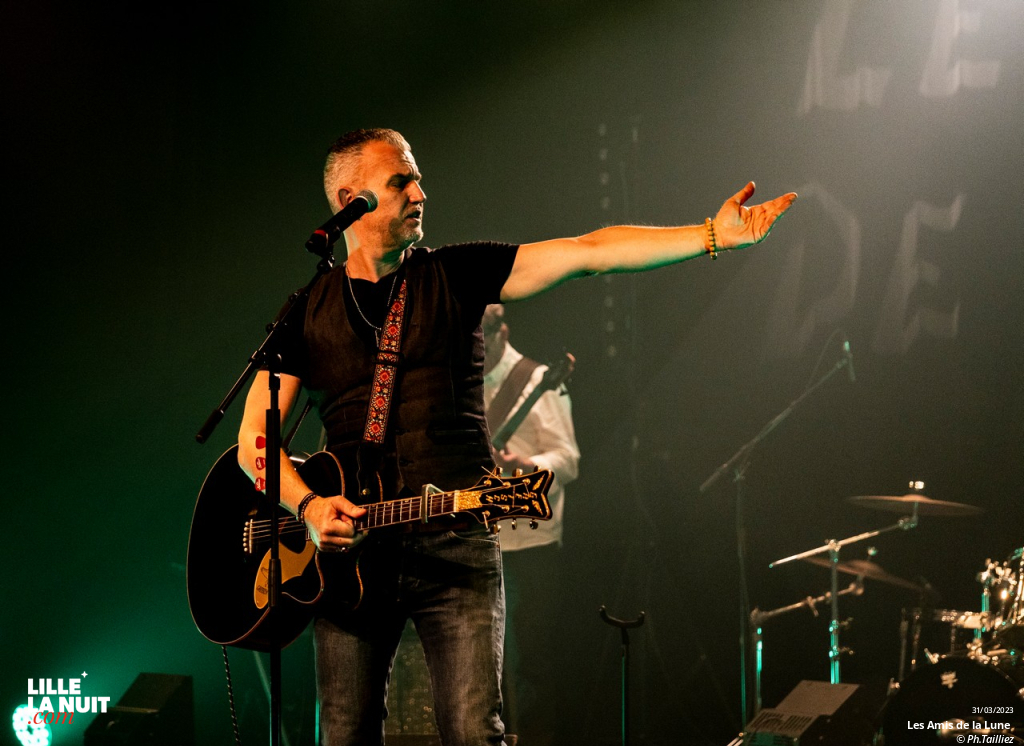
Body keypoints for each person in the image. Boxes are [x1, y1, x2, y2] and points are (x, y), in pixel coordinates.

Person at [236, 127, 797, 746]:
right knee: (343, 734)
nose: (420, 191)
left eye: (417, 176)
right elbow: (253, 441)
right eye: (400, 181)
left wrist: (710, 236)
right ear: (349, 198)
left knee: (476, 733)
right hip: (350, 557)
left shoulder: (456, 275)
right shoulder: (306, 313)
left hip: (457, 540)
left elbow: (590, 251)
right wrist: (307, 505)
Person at [482, 302, 580, 746]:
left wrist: (529, 466)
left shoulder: (540, 381)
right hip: (481, 539)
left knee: (533, 661)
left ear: (502, 333)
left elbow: (569, 460)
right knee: (485, 664)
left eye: (482, 341)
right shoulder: (462, 383)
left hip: (533, 541)